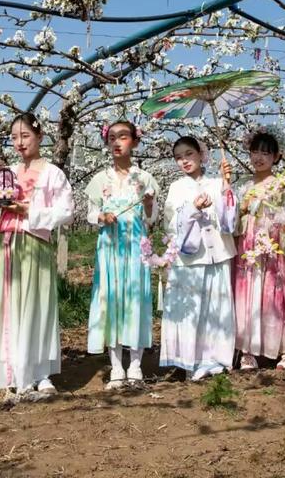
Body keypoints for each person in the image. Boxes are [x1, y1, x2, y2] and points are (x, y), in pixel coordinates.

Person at [0, 113, 74, 404]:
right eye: (14, 137)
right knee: (9, 305)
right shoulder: (7, 172)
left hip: (35, 242)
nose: (19, 143)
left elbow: (66, 211)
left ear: (40, 137)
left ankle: (40, 372)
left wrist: (30, 211)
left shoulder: (52, 173)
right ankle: (12, 370)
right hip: (8, 244)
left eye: (25, 136)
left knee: (37, 303)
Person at [85, 120, 158, 389]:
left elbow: (151, 218)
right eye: (112, 138)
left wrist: (148, 205)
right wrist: (102, 216)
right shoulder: (100, 180)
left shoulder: (145, 179)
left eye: (123, 137)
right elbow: (90, 213)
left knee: (136, 300)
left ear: (135, 142)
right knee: (111, 300)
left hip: (136, 247)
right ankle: (116, 366)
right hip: (109, 247)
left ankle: (136, 365)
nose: (117, 142)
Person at [159, 136, 237, 381]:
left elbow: (230, 219)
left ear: (201, 155)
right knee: (192, 309)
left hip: (218, 253)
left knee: (217, 308)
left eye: (189, 154)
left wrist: (226, 187)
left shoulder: (216, 182)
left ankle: (216, 360)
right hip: (190, 257)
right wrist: (193, 209)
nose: (184, 161)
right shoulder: (176, 187)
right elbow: (171, 222)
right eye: (178, 157)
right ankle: (190, 361)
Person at [234, 128, 285, 370]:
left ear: (276, 157)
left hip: (271, 249)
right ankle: (247, 351)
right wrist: (241, 209)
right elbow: (231, 224)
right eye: (255, 151)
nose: (259, 157)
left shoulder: (280, 186)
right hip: (247, 249)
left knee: (274, 297)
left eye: (265, 153)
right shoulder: (242, 185)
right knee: (247, 297)